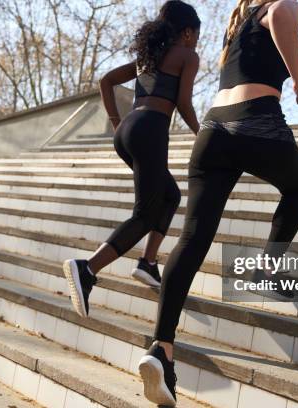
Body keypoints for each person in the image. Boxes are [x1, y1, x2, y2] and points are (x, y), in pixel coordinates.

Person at [137, 0, 298, 405]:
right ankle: (266, 272)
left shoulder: (240, 24)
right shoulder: (281, 6)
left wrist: (294, 48)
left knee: (192, 239)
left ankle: (161, 348)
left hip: (214, 127)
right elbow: (287, 13)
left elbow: (276, 33)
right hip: (256, 119)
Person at [62, 0, 201, 320]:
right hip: (151, 130)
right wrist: (202, 134)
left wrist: (116, 123)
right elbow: (183, 103)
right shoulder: (187, 55)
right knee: (144, 214)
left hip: (127, 132)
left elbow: (106, 80)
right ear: (187, 32)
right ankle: (87, 268)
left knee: (170, 195)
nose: (196, 42)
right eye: (196, 35)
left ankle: (148, 262)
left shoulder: (147, 57)